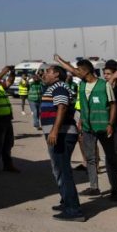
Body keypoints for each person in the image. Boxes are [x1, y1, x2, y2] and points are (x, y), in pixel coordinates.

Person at [55, 55, 117, 200]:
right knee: (90, 158)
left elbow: (113, 105)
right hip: (87, 128)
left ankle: (115, 190)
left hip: (104, 127)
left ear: (85, 71)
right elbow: (83, 106)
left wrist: (110, 124)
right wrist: (59, 60)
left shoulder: (104, 85)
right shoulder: (82, 85)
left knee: (110, 158)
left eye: (78, 70)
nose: (74, 72)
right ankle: (94, 187)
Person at [40, 64, 84, 221]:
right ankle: (67, 201)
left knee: (64, 171)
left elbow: (62, 108)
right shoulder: (55, 87)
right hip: (61, 134)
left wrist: (54, 130)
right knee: (59, 170)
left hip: (62, 134)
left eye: (47, 72)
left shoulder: (59, 87)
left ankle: (73, 210)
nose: (44, 74)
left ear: (56, 74)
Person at [0, 66, 19, 173]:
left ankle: (8, 165)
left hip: (7, 119)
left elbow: (10, 81)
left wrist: (12, 73)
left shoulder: (0, 87)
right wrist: (4, 71)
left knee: (8, 143)